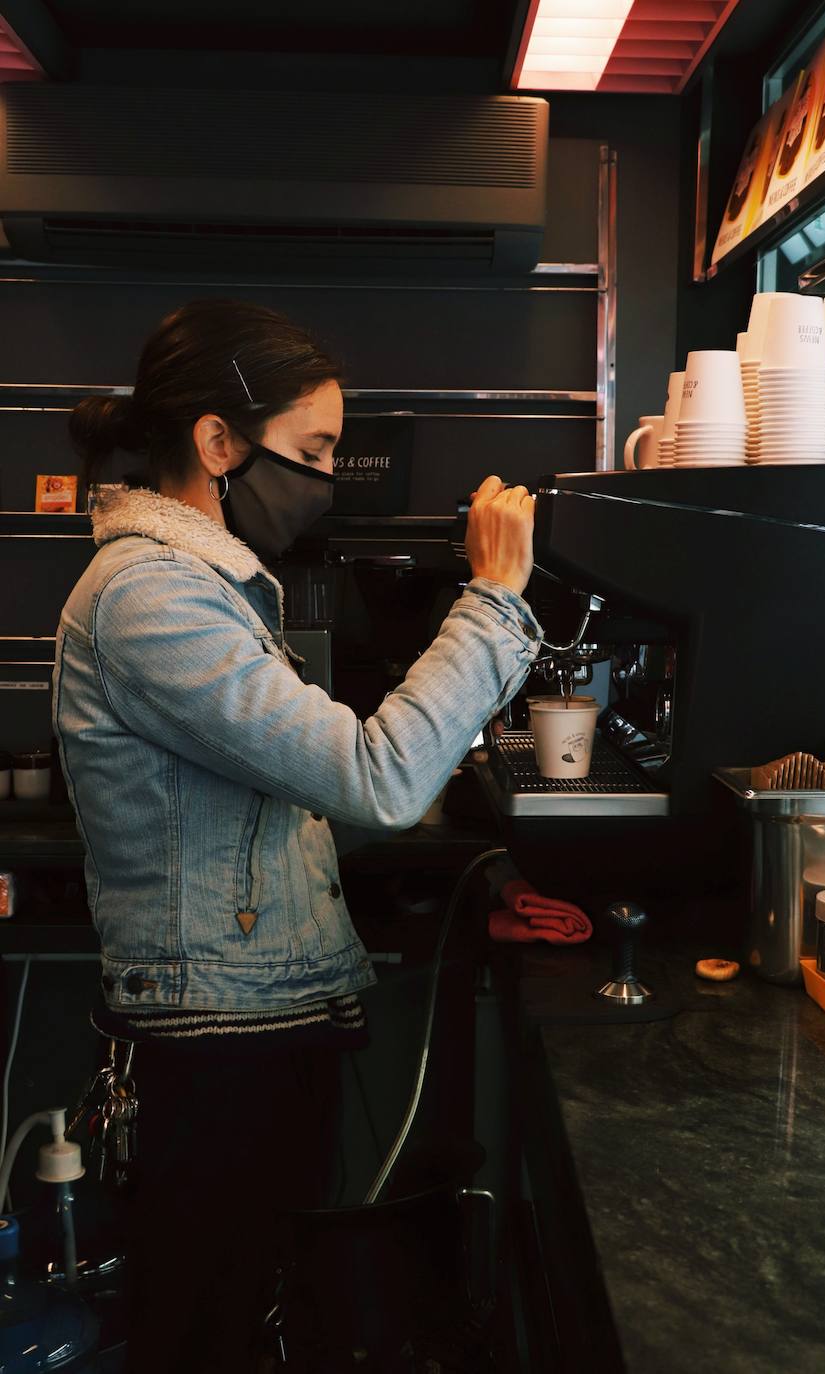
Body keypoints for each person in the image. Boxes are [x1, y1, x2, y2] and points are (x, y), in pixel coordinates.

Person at [52, 298, 541, 1372]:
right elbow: (376, 774)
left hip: (260, 1023)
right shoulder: (149, 597)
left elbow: (287, 802)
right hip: (213, 1046)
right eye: (313, 450)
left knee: (246, 1322)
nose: (327, 476)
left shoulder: (209, 586)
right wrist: (495, 597)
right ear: (218, 444)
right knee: (206, 1334)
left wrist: (482, 862)